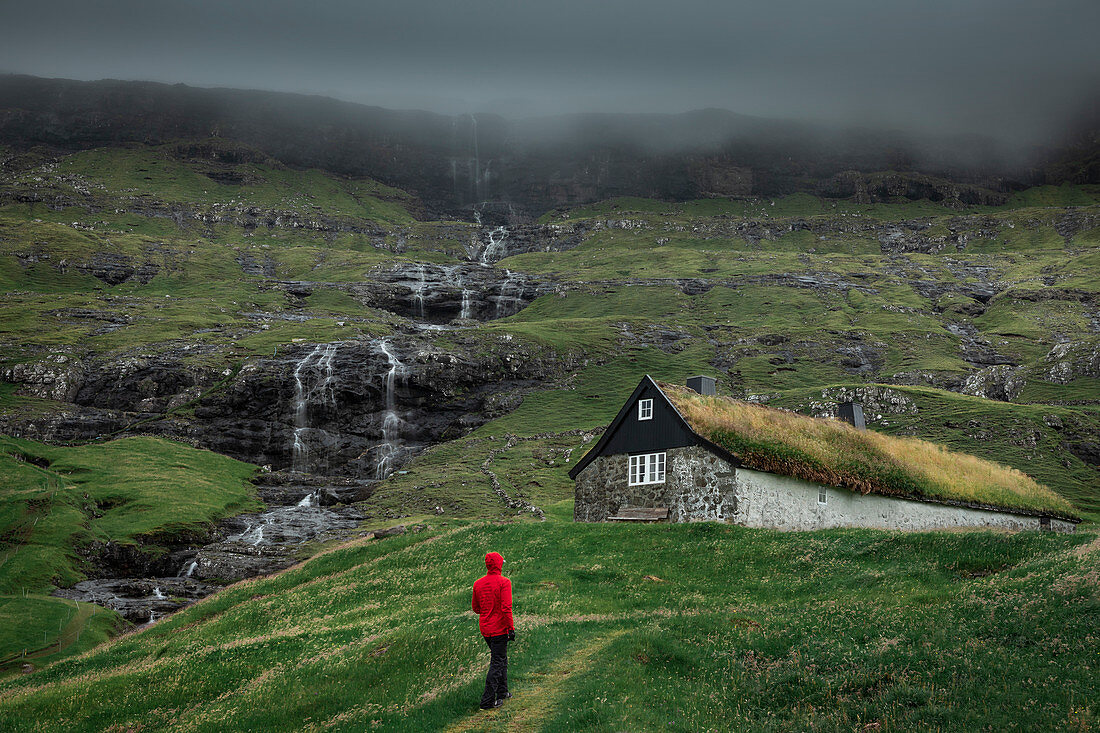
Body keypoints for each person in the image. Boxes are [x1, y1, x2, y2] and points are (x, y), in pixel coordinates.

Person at [472, 551, 515, 710]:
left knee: (500, 658)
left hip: (485, 629)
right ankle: (487, 702)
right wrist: (510, 628)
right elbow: (506, 608)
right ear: (498, 564)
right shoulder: (504, 582)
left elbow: (476, 608)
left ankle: (503, 693)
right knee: (497, 662)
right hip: (500, 628)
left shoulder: (478, 583)